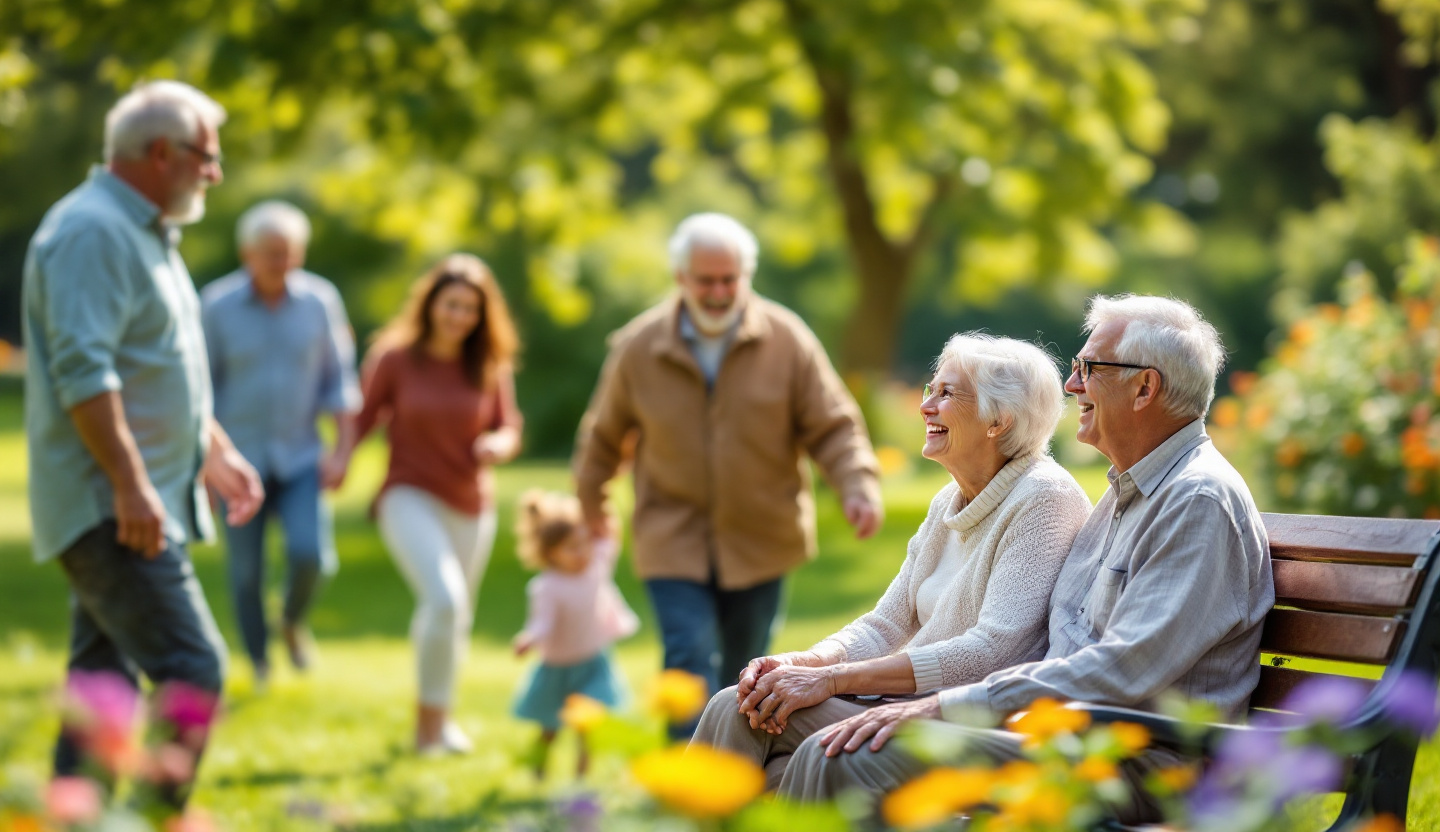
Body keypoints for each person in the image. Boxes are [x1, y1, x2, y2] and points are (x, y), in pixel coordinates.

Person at [777, 295, 1275, 825]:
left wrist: (939, 707)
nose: (1071, 384)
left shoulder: (1196, 501)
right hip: (1062, 737)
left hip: (1138, 765)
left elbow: (1121, 670)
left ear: (1144, 388)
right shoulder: (1130, 493)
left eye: (1088, 369)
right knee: (758, 714)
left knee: (842, 756)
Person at [691, 334, 1092, 789]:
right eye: (930, 390)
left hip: (966, 726)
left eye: (947, 394)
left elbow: (990, 651)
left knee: (742, 716)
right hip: (899, 706)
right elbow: (885, 624)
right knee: (755, 726)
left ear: (998, 420)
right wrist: (806, 662)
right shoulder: (948, 502)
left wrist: (833, 680)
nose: (926, 407)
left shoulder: (1045, 499)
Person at [21, 80, 264, 807]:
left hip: (139, 498)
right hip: (113, 505)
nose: (215, 174)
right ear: (162, 152)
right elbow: (85, 373)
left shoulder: (145, 231)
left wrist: (211, 447)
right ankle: (155, 820)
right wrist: (131, 484)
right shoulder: (93, 232)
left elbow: (158, 363)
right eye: (207, 157)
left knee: (101, 693)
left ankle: (78, 820)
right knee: (194, 668)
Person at [573, 212, 884, 736]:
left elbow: (833, 425)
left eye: (729, 279)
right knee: (687, 654)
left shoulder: (786, 338)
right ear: (680, 278)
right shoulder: (639, 345)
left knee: (750, 669)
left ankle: (739, 780)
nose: (719, 292)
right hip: (671, 533)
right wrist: (590, 506)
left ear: (746, 275)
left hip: (762, 533)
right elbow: (602, 438)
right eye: (706, 280)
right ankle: (685, 786)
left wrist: (857, 484)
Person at [328, 253, 522, 755]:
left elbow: (508, 425)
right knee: (444, 600)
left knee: (453, 616)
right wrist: (340, 460)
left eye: (470, 309)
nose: (459, 316)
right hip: (408, 493)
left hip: (471, 501)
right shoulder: (396, 357)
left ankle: (442, 720)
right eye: (451, 304)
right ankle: (425, 730)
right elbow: (364, 416)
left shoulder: (488, 363)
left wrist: (498, 445)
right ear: (431, 303)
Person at [201, 200, 361, 684]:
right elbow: (199, 391)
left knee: (313, 556)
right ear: (246, 252)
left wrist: (343, 450)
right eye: (272, 253)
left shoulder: (320, 302)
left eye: (291, 253)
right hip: (237, 461)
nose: (282, 263)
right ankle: (259, 661)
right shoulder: (216, 305)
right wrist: (206, 465)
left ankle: (291, 622)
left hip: (299, 459)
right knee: (246, 573)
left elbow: (340, 381)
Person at [510, 489, 639, 775]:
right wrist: (529, 639)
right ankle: (538, 767)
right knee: (550, 728)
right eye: (570, 548)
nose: (581, 553)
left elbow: (611, 538)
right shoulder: (546, 587)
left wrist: (601, 502)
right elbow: (541, 623)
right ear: (550, 553)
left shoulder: (596, 568)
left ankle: (580, 781)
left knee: (587, 726)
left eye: (584, 543)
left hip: (593, 663)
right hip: (557, 668)